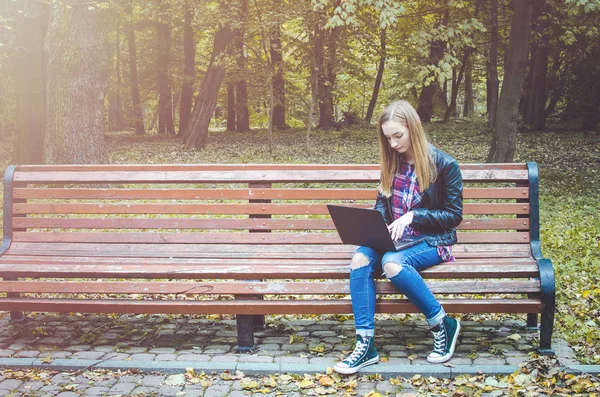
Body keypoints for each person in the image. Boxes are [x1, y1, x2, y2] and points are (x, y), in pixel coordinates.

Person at [333, 100, 463, 375]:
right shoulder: (393, 162)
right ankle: (365, 344)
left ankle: (443, 324)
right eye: (387, 137)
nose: (392, 143)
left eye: (397, 135)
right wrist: (376, 222)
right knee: (359, 259)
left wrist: (414, 216)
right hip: (394, 238)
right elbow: (383, 201)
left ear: (412, 128)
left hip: (431, 240)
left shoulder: (445, 165)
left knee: (392, 263)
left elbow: (453, 216)